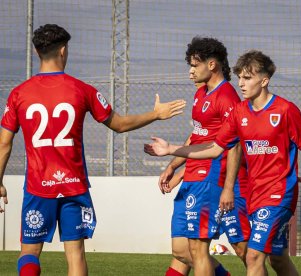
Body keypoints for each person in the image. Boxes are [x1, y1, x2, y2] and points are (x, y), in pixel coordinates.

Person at [0, 24, 186, 276]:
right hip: (74, 186)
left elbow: (4, 143)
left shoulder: (19, 94)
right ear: (64, 50)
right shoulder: (82, 90)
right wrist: (155, 114)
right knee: (75, 255)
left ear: (36, 51)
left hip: (38, 186)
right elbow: (119, 125)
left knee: (29, 253)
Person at [144, 50, 301, 276]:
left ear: (264, 81)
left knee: (253, 256)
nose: (241, 84)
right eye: (239, 78)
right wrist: (171, 150)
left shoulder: (285, 110)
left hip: (279, 193)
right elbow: (216, 147)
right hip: (254, 195)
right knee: (277, 259)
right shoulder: (239, 112)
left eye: (247, 78)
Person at [161, 36, 251, 276]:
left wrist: (228, 187)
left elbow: (233, 144)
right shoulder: (201, 94)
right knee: (181, 250)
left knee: (201, 249)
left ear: (211, 65)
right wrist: (175, 167)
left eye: (195, 65)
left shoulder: (227, 97)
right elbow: (197, 135)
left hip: (211, 177)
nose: (191, 71)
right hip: (193, 174)